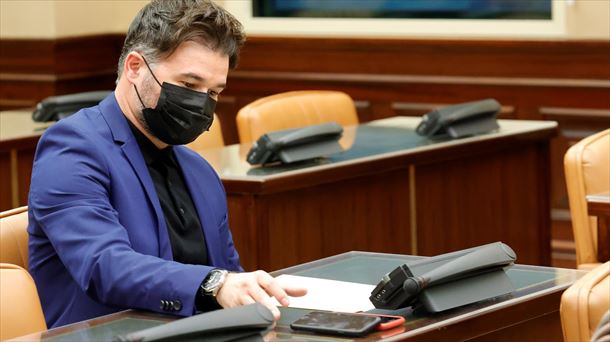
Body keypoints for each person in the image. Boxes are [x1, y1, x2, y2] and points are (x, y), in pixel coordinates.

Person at [28, 0, 306, 328]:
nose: (202, 103)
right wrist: (216, 284)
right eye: (189, 85)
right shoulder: (72, 148)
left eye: (214, 92)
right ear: (134, 67)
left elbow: (228, 276)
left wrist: (259, 294)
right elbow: (106, 267)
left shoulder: (199, 171)